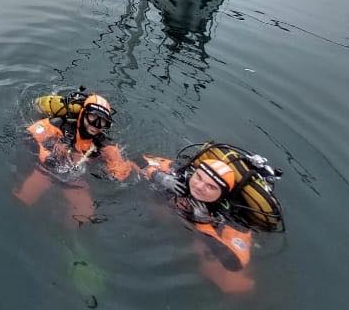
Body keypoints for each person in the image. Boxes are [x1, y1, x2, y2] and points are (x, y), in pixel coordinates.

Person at [140, 144, 283, 294]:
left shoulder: (230, 218)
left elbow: (234, 263)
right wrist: (156, 175)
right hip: (158, 226)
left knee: (234, 286)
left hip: (187, 244)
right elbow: (138, 158)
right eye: (199, 177)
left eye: (211, 187)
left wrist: (203, 224)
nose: (200, 186)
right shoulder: (181, 176)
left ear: (222, 194)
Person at [15, 91, 136, 225]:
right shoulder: (60, 124)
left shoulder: (103, 144)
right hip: (46, 170)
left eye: (102, 122)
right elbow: (28, 135)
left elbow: (120, 171)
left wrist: (110, 174)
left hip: (74, 180)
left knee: (83, 216)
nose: (95, 125)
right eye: (92, 117)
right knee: (23, 200)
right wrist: (48, 156)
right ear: (83, 113)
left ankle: (61, 231)